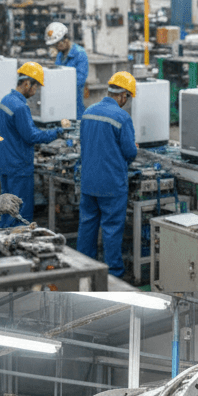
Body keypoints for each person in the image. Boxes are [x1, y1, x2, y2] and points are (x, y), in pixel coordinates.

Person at [76, 71, 138, 278]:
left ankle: (83, 268)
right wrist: (133, 148)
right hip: (111, 185)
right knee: (111, 230)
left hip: (88, 182)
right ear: (123, 95)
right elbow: (129, 152)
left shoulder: (88, 112)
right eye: (127, 98)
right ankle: (113, 274)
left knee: (87, 225)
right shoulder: (122, 117)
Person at [0, 62, 69, 226]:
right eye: (36, 87)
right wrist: (58, 132)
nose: (35, 92)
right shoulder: (20, 106)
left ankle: (4, 241)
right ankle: (17, 246)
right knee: (19, 213)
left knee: (7, 209)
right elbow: (31, 136)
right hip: (19, 167)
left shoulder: (6, 100)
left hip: (5, 163)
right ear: (27, 83)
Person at [45, 21, 89, 118]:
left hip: (74, 103)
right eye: (54, 45)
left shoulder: (80, 54)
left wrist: (60, 85)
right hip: (61, 101)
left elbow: (80, 80)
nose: (56, 47)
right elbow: (57, 73)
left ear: (65, 39)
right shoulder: (60, 54)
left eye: (57, 44)